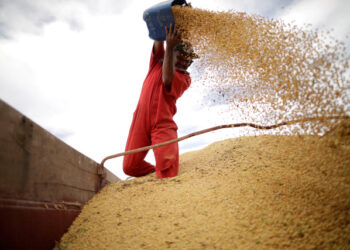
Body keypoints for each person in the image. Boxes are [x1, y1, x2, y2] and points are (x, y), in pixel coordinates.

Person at [123, 24, 198, 178]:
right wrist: (169, 22)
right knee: (130, 167)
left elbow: (167, 79)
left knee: (168, 172)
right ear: (173, 53)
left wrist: (171, 47)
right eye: (182, 55)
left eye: (188, 59)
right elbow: (158, 39)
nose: (185, 60)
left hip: (162, 124)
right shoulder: (157, 63)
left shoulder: (185, 79)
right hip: (140, 120)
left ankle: (163, 177)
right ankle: (155, 173)